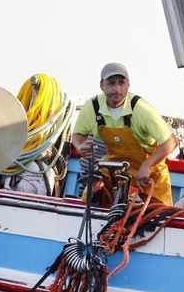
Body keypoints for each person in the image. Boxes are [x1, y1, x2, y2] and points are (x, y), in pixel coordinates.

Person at [70, 62, 178, 206]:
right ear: (102, 85)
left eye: (121, 83)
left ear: (128, 85)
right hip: (116, 172)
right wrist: (80, 146)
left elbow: (170, 142)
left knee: (156, 214)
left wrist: (147, 165)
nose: (117, 89)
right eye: (111, 83)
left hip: (148, 176)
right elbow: (77, 135)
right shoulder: (92, 108)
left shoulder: (141, 109)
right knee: (90, 200)